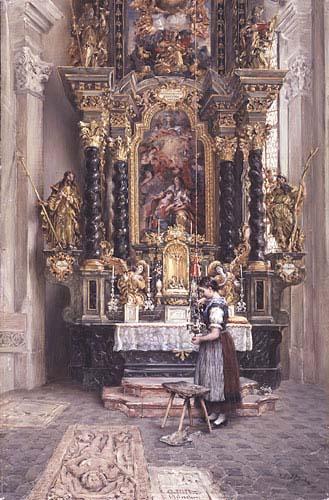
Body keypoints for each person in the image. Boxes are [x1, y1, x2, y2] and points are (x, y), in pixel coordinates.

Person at [192, 277, 241, 427]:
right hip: (214, 346)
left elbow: (214, 334)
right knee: (211, 378)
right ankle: (215, 411)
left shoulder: (216, 309)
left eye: (202, 291)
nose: (201, 294)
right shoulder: (215, 301)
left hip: (218, 346)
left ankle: (223, 415)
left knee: (218, 379)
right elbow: (212, 301)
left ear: (210, 289)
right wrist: (204, 301)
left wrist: (200, 339)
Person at [42, 171, 82, 249]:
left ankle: (70, 243)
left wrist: (69, 198)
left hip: (69, 212)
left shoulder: (74, 189)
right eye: (68, 177)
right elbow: (52, 199)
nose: (69, 179)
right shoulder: (58, 187)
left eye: (71, 177)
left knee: (69, 227)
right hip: (60, 211)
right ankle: (59, 243)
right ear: (65, 177)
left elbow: (77, 201)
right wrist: (47, 204)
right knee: (59, 227)